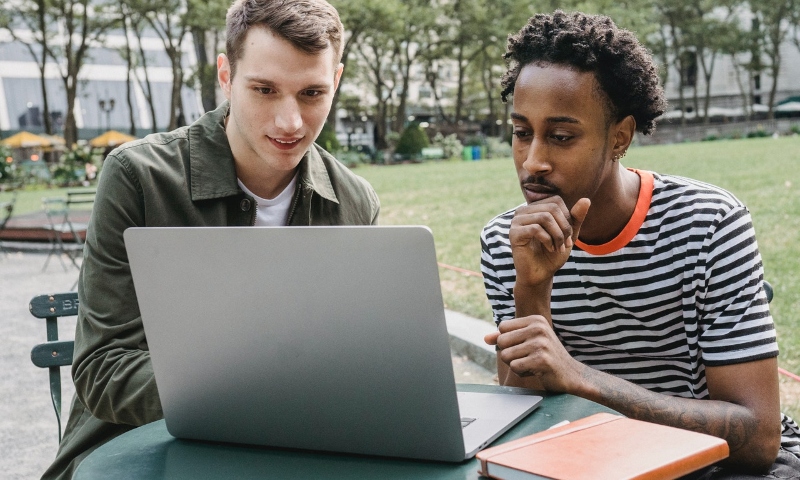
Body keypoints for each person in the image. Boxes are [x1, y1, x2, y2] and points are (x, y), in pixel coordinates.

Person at [42, 0, 379, 478]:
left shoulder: (355, 201)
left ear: (336, 81)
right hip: (132, 453)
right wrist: (258, 394)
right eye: (264, 89)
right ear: (226, 74)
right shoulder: (138, 178)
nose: (290, 122)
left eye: (311, 93)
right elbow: (102, 370)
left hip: (290, 453)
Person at [480, 10, 800, 478]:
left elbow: (758, 438)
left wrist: (580, 378)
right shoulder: (506, 240)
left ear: (620, 137)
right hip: (593, 459)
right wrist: (532, 288)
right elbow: (523, 424)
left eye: (561, 136)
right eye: (522, 132)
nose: (533, 162)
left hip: (714, 464)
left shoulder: (709, 224)